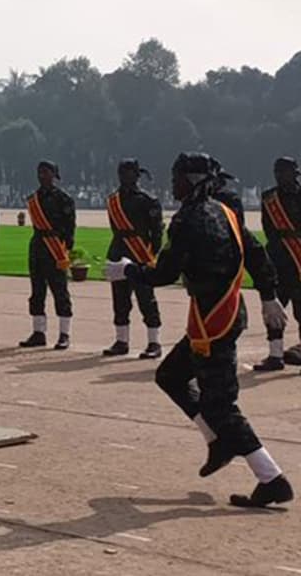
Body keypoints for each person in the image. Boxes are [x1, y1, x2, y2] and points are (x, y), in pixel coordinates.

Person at [107, 152, 293, 508]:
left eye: (177, 178)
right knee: (171, 375)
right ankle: (217, 441)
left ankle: (272, 479)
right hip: (225, 313)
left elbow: (163, 274)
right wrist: (268, 296)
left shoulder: (187, 220)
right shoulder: (225, 212)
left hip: (213, 324)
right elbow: (255, 253)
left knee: (221, 405)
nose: (172, 184)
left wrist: (128, 270)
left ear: (192, 182)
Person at [103, 159, 164, 359]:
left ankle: (154, 342)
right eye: (122, 172)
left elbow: (156, 232)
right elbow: (115, 228)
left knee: (146, 300)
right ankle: (122, 341)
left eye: (129, 172)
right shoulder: (113, 200)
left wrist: (151, 254)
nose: (125, 176)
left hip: (140, 254)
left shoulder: (148, 200)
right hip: (119, 252)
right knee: (120, 300)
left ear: (137, 175)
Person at [21, 161, 76, 350]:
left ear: (54, 174)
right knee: (37, 293)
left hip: (55, 247)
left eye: (46, 172)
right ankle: (38, 332)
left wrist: (66, 248)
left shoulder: (63, 198)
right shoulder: (34, 198)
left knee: (60, 292)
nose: (42, 175)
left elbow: (70, 228)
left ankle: (64, 334)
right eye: (40, 172)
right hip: (38, 246)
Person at [255, 156, 301, 371]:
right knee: (274, 309)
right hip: (278, 260)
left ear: (295, 172)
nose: (281, 175)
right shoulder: (269, 199)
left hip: (299, 260)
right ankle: (275, 355)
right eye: (277, 171)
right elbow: (268, 229)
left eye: (285, 171)